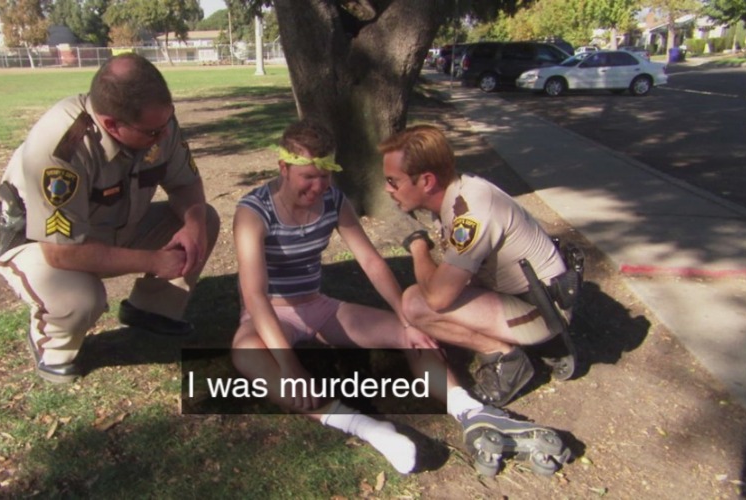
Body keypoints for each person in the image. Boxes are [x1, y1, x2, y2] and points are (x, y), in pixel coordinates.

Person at [231, 120, 568, 475]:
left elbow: (371, 261)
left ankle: (468, 409)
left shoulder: (333, 199)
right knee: (246, 353)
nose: (318, 187)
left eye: (324, 176)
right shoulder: (253, 211)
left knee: (411, 334)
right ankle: (369, 429)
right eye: (308, 177)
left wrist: (407, 321)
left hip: (317, 304)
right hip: (271, 311)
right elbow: (254, 294)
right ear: (284, 168)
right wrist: (288, 366)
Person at [0, 53, 220, 384]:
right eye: (153, 132)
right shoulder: (59, 148)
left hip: (114, 227)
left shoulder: (157, 122)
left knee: (204, 218)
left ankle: (151, 310)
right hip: (40, 244)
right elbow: (62, 252)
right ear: (111, 124)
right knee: (81, 299)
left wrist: (193, 226)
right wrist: (154, 261)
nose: (164, 135)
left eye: (167, 122)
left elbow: (185, 184)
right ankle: (52, 345)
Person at [379, 124, 569, 406]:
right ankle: (538, 342)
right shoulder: (457, 193)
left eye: (393, 181)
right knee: (438, 288)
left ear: (427, 181)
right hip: (535, 294)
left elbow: (438, 298)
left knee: (416, 304)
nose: (387, 189)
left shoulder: (470, 214)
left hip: (541, 309)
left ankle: (507, 358)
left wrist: (417, 245)